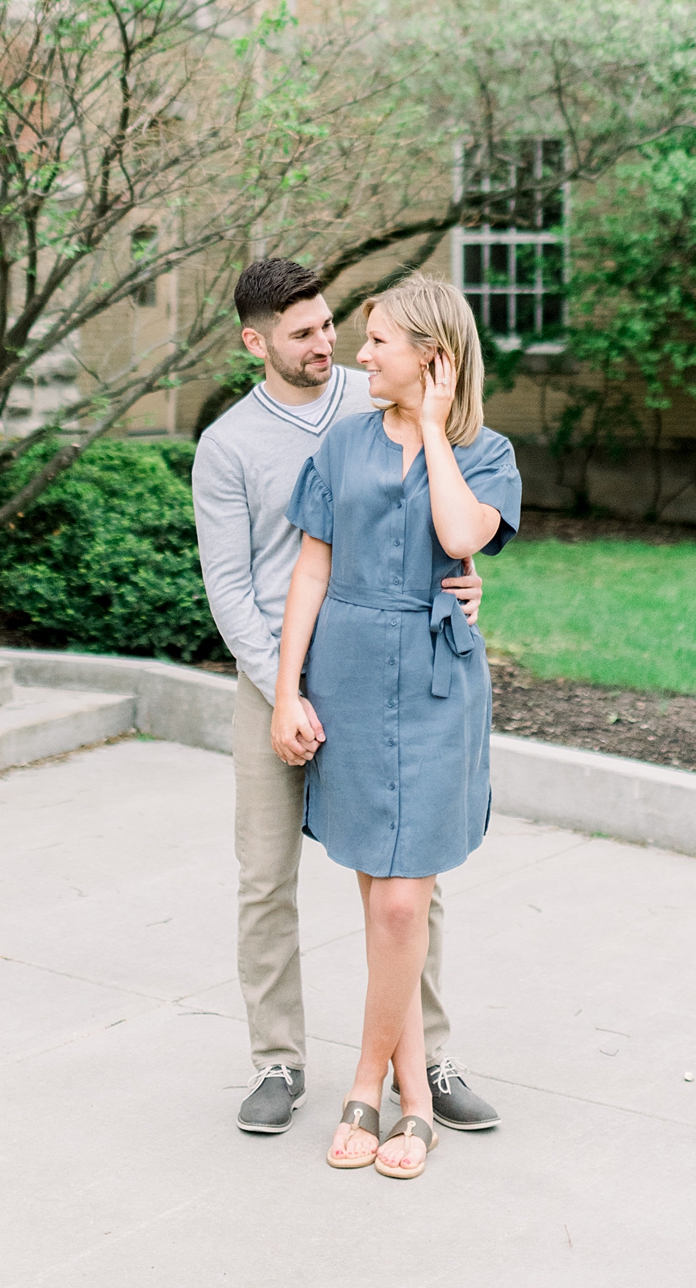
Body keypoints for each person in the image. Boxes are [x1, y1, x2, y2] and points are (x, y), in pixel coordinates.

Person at [192, 256, 502, 1139]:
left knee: (410, 879)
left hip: (384, 674)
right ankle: (278, 1061)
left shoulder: (379, 399)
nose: (331, 346)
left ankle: (426, 1057)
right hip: (281, 676)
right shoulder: (229, 447)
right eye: (304, 334)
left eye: (333, 325)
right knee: (265, 875)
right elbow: (233, 586)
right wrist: (284, 690)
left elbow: (445, 500)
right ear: (257, 344)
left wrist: (471, 579)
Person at [271, 273, 521, 1180]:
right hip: (346, 669)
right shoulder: (340, 445)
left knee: (406, 900)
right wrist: (286, 690)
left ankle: (366, 1082)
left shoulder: (488, 454)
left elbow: (460, 535)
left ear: (433, 357)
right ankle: (415, 1102)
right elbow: (309, 571)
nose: (359, 353)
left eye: (379, 341)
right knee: (384, 904)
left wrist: (435, 426)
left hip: (437, 682)